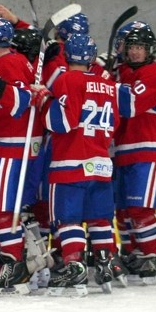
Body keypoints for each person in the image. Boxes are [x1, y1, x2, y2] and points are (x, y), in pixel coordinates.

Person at [30, 33, 126, 296]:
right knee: (99, 220)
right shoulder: (108, 85)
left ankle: (75, 267)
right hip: (101, 164)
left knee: (69, 220)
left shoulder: (67, 79)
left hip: (71, 163)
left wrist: (43, 100)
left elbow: (61, 122)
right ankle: (105, 263)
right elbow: (115, 123)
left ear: (67, 55)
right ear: (91, 58)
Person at [0, 15, 44, 296]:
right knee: (6, 209)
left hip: (9, 145)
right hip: (11, 144)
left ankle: (14, 266)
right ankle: (27, 261)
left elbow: (18, 100)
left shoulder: (7, 63)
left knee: (2, 210)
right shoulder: (10, 62)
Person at [112, 21, 156, 285]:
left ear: (150, 50)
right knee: (123, 211)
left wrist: (102, 83)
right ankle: (132, 253)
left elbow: (129, 105)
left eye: (141, 47)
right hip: (123, 151)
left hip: (148, 150)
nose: (136, 52)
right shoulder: (123, 72)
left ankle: (150, 257)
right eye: (133, 47)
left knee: (140, 210)